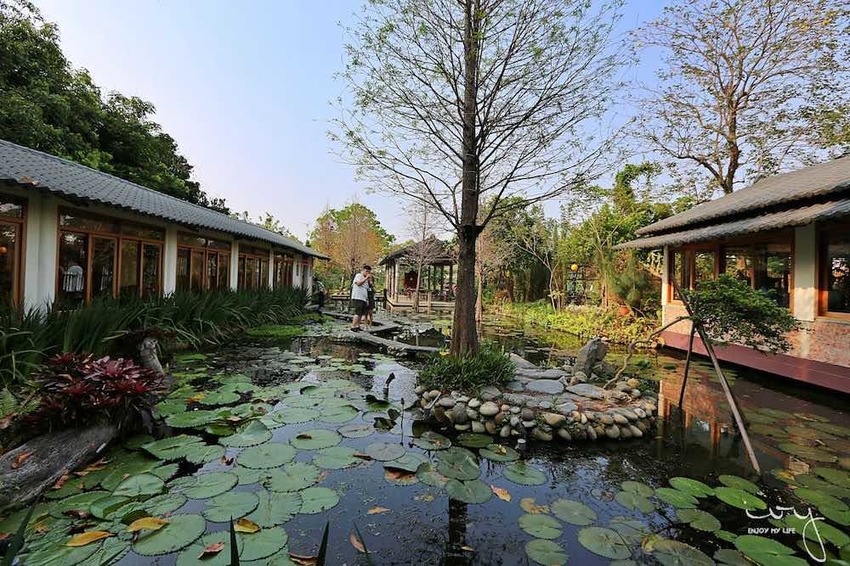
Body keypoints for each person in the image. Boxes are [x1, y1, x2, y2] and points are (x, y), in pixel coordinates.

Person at [349, 265, 371, 331]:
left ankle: (357, 326)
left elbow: (367, 289)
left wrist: (367, 300)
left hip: (363, 298)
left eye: (369, 272)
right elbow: (358, 283)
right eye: (366, 271)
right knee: (357, 313)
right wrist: (366, 277)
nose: (367, 273)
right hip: (358, 297)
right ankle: (353, 326)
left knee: (361, 313)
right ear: (363, 270)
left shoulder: (366, 279)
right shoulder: (358, 275)